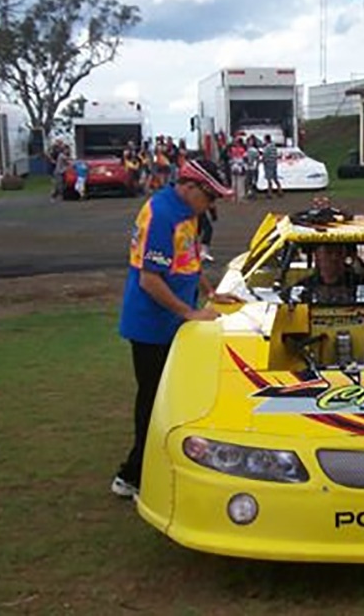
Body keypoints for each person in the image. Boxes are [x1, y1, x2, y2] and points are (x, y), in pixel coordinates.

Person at [111, 159, 237, 499]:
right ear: (191, 187)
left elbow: (189, 259)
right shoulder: (160, 214)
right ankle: (132, 476)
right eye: (210, 198)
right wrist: (189, 313)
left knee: (175, 400)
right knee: (153, 402)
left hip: (175, 323)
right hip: (152, 326)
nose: (211, 206)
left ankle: (159, 466)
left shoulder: (187, 213)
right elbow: (150, 280)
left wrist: (210, 292)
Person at [296, 243, 364, 304]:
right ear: (317, 255)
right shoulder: (304, 287)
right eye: (328, 252)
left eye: (339, 252)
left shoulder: (360, 283)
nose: (334, 257)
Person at [261, 134, 282, 198]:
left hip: (268, 163)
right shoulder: (274, 146)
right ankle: (279, 190)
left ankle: (270, 193)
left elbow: (265, 155)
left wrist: (262, 159)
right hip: (274, 163)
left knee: (269, 178)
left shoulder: (267, 147)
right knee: (275, 177)